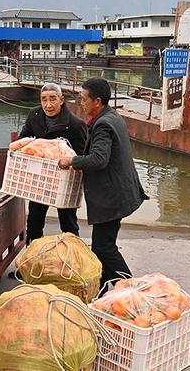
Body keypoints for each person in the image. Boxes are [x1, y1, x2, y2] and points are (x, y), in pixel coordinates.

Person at [58, 77, 148, 290]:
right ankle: (106, 287)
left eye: (84, 99)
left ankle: (130, 290)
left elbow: (99, 159)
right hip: (120, 192)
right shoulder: (112, 116)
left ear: (97, 101)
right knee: (102, 246)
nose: (81, 103)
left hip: (112, 197)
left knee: (104, 247)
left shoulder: (104, 124)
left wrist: (72, 161)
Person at [18, 83, 88, 244]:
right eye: (44, 100)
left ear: (61, 100)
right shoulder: (34, 115)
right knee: (34, 219)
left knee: (68, 222)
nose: (48, 105)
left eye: (52, 99)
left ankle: (73, 256)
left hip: (64, 182)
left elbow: (82, 155)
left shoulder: (76, 125)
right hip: (40, 179)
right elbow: (23, 140)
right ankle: (31, 258)